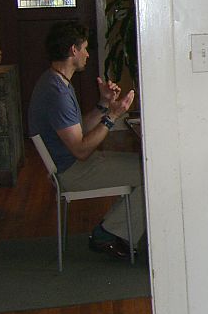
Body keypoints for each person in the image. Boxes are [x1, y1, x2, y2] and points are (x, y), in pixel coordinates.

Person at [28, 20, 145, 260]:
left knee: (147, 167)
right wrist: (112, 116)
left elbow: (78, 130)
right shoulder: (57, 92)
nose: (88, 54)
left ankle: (114, 230)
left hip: (71, 164)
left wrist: (103, 105)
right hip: (72, 170)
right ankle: (107, 234)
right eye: (85, 48)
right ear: (73, 50)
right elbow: (81, 150)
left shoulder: (56, 80)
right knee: (152, 173)